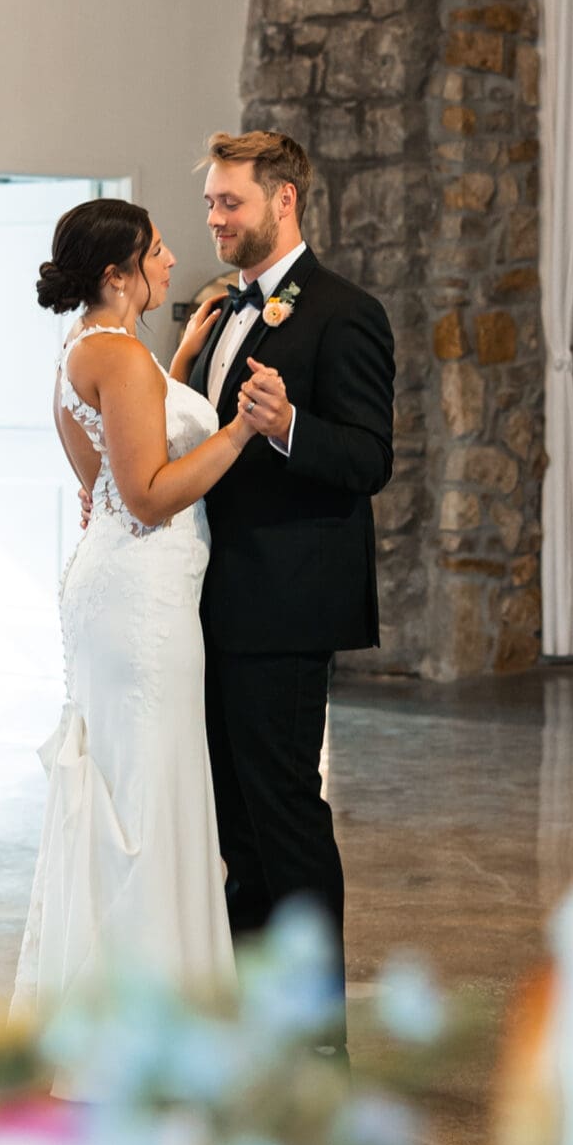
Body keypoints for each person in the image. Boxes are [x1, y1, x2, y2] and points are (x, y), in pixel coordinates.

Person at [12, 198, 268, 1018]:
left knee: (133, 786)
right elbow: (149, 495)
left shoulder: (93, 347)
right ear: (119, 273)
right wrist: (238, 432)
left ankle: (123, 1008)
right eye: (157, 252)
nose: (171, 262)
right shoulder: (119, 357)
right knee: (150, 793)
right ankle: (151, 1024)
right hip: (144, 604)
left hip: (121, 590)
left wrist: (181, 360)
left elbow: (117, 468)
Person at [187, 130, 395, 1025]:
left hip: (284, 605)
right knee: (234, 824)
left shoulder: (345, 312)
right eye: (209, 203)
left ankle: (313, 1036)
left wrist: (288, 427)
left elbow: (370, 458)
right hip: (210, 601)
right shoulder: (221, 309)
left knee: (286, 816)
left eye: (230, 202)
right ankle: (254, 1022)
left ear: (284, 201)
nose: (215, 219)